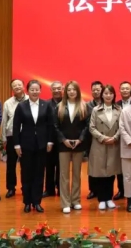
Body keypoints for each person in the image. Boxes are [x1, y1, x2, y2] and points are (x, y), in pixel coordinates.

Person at [12, 80, 55, 213]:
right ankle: (27, 202)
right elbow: (16, 126)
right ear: (27, 91)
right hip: (26, 144)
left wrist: (50, 142)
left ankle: (37, 202)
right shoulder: (21, 106)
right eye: (32, 90)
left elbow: (50, 125)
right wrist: (16, 144)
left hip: (42, 144)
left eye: (37, 90)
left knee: (39, 173)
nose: (35, 92)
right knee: (26, 173)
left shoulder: (46, 105)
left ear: (40, 91)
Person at [54, 81, 89, 213]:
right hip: (64, 144)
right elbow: (55, 126)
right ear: (65, 92)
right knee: (64, 175)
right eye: (69, 90)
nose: (71, 92)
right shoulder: (59, 106)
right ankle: (65, 202)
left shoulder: (84, 106)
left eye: (74, 89)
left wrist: (80, 139)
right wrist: (63, 140)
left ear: (77, 91)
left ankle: (75, 200)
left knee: (76, 174)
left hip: (78, 144)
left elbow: (87, 126)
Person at [87, 84, 121, 210]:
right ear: (102, 95)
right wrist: (102, 138)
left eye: (110, 93)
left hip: (113, 144)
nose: (108, 96)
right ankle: (102, 199)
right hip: (99, 144)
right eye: (106, 93)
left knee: (111, 173)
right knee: (100, 172)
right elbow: (91, 127)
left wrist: (115, 138)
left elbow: (122, 127)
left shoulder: (119, 110)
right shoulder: (96, 110)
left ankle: (109, 198)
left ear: (114, 95)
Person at [1, 79, 26, 198]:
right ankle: (11, 188)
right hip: (11, 136)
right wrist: (3, 138)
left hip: (26, 136)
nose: (17, 87)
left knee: (26, 164)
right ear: (12, 88)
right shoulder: (8, 103)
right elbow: (4, 121)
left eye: (19, 85)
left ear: (23, 86)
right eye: (14, 86)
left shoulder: (30, 100)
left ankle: (25, 187)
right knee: (11, 164)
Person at [44, 81, 63, 198]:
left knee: (62, 166)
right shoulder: (46, 104)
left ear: (62, 89)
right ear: (51, 90)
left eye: (59, 88)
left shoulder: (67, 103)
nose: (56, 91)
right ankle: (49, 189)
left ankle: (61, 189)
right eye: (54, 89)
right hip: (49, 140)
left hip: (63, 140)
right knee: (49, 166)